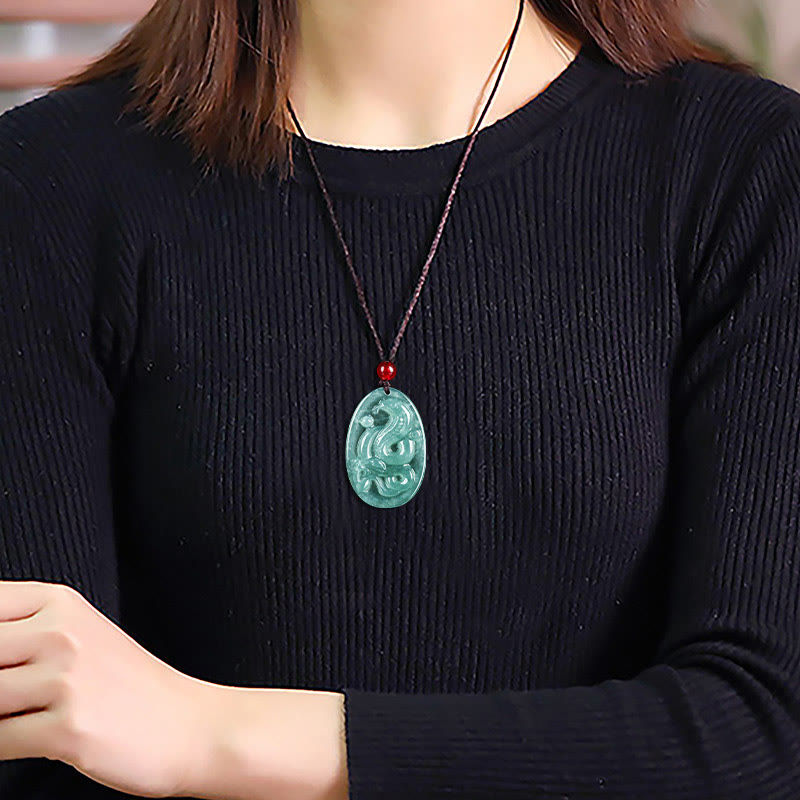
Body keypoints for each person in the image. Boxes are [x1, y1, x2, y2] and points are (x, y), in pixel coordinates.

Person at [0, 0, 799, 797]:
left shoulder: (747, 168)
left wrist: (210, 735)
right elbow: (39, 753)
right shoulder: (44, 188)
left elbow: (764, 732)